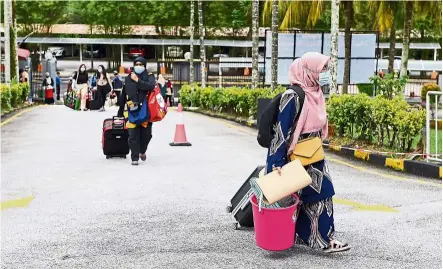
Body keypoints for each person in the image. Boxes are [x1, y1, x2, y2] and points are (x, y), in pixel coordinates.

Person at [265, 52, 350, 254]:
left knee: (321, 193)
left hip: (313, 153)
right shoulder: (293, 96)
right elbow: (281, 130)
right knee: (312, 195)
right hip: (294, 156)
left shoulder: (316, 93)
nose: (325, 74)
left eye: (325, 70)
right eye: (321, 70)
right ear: (309, 71)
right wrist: (276, 161)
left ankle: (317, 236)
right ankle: (320, 238)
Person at [117, 57, 156, 166]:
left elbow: (150, 86)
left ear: (144, 66)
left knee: (147, 135)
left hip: (146, 111)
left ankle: (142, 151)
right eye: (136, 64)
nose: (138, 66)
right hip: (131, 110)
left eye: (141, 64)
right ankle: (134, 157)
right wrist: (120, 111)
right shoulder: (128, 78)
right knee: (133, 135)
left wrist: (138, 81)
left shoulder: (149, 76)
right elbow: (124, 94)